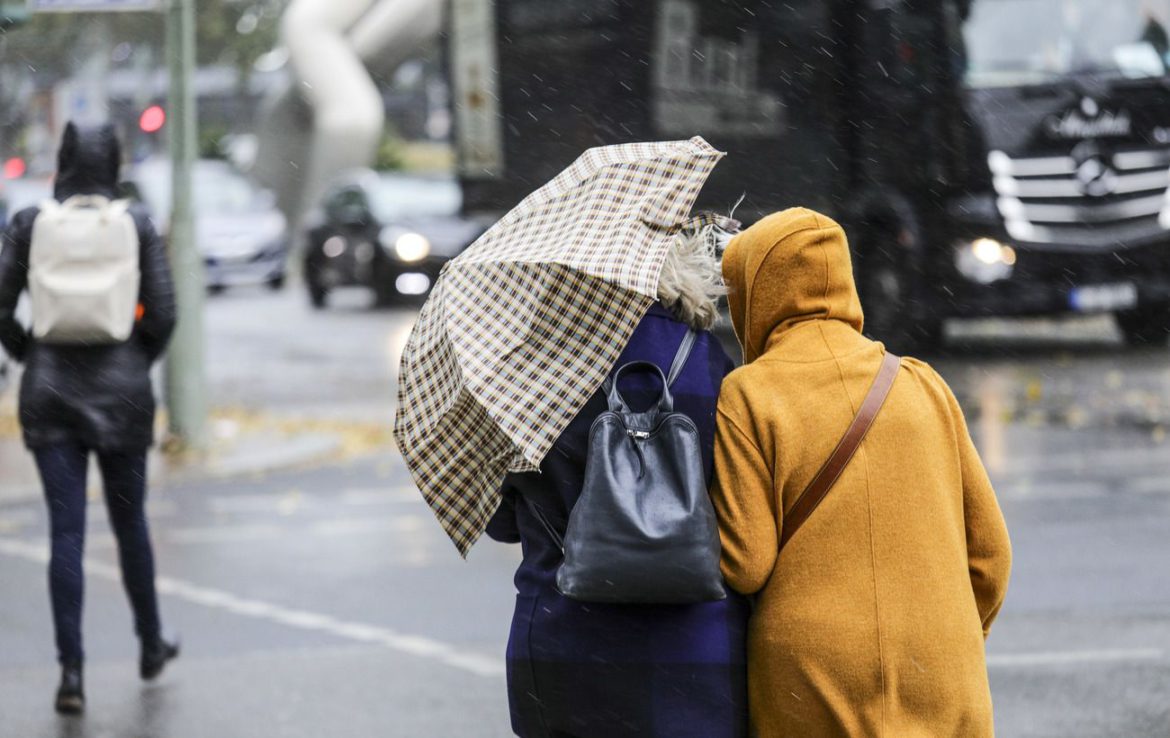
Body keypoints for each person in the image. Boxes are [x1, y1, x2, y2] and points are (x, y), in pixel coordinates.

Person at [711, 208, 1012, 737]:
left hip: (811, 675)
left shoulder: (750, 394)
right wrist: (945, 639)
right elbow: (991, 557)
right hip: (940, 660)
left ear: (753, 296)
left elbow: (745, 563)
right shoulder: (923, 384)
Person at [485, 225, 750, 738]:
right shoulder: (708, 361)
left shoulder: (526, 369)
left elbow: (501, 523)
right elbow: (740, 506)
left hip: (566, 646)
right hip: (693, 652)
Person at [0, 122, 180, 715]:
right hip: (123, 393)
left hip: (49, 391)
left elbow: (2, 307)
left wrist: (34, 353)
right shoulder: (135, 224)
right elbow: (164, 314)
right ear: (115, 164)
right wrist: (133, 357)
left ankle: (71, 674)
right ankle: (151, 643)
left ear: (63, 162)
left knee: (67, 534)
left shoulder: (31, 224)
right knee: (131, 529)